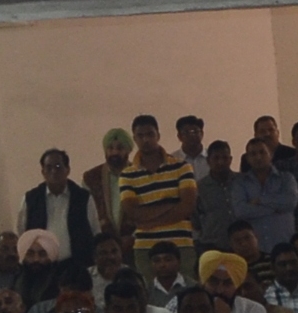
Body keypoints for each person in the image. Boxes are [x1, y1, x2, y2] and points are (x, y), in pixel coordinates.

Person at [119, 114, 202, 271]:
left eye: (150, 134)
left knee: (187, 292)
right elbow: (132, 212)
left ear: (158, 135)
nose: (146, 140)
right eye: (140, 135)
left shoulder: (182, 167)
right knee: (150, 293)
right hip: (145, 248)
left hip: (180, 244)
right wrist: (171, 205)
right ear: (134, 139)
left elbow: (188, 206)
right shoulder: (127, 175)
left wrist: (150, 222)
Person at [25, 147, 105, 266]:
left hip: (77, 266)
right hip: (41, 267)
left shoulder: (84, 197)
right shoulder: (30, 199)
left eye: (58, 167)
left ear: (67, 169)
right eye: (48, 168)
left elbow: (95, 231)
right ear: (43, 172)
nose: (53, 171)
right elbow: (24, 235)